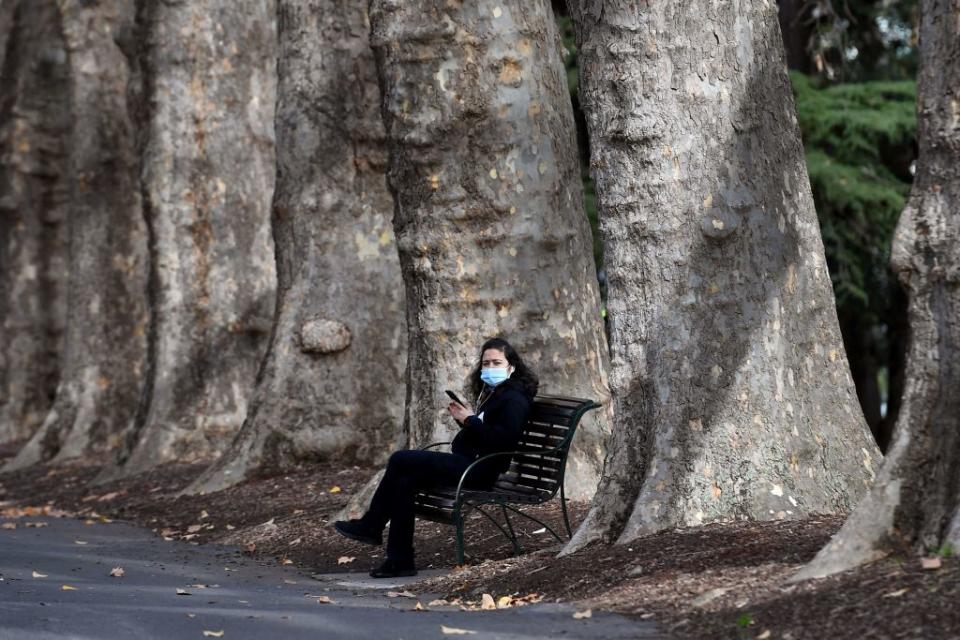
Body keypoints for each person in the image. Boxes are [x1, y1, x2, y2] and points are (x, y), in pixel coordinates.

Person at [333, 337, 539, 578]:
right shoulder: (498, 393)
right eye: (486, 363)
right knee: (404, 481)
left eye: (496, 362)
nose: (490, 368)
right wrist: (466, 419)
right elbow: (486, 433)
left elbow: (503, 440)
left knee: (400, 459)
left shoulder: (514, 399)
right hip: (470, 463)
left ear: (511, 367)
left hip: (480, 470)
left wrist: (469, 420)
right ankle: (399, 561)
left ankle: (372, 525)